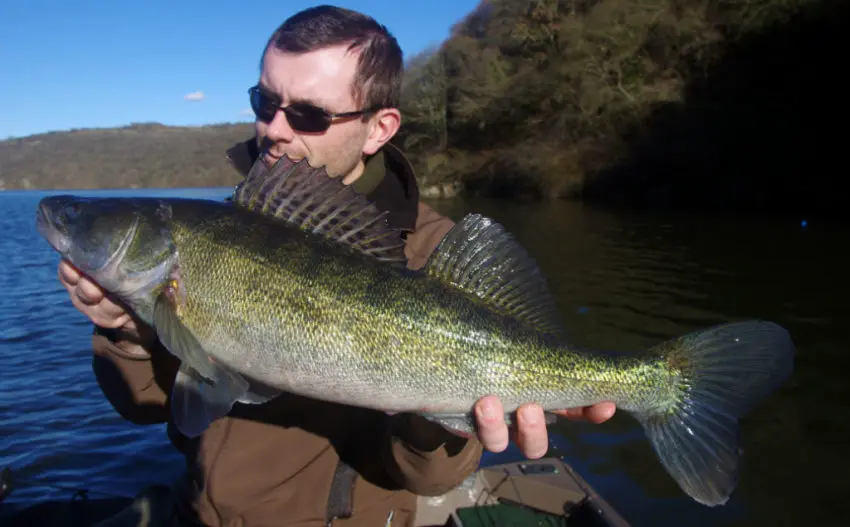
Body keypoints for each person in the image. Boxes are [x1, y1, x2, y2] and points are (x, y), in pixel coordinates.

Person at [58, 5, 616, 526]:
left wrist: (438, 420)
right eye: (264, 102)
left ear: (380, 127)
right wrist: (127, 332)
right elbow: (153, 407)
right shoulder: (226, 230)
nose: (276, 128)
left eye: (308, 114)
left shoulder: (427, 253)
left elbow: (429, 476)